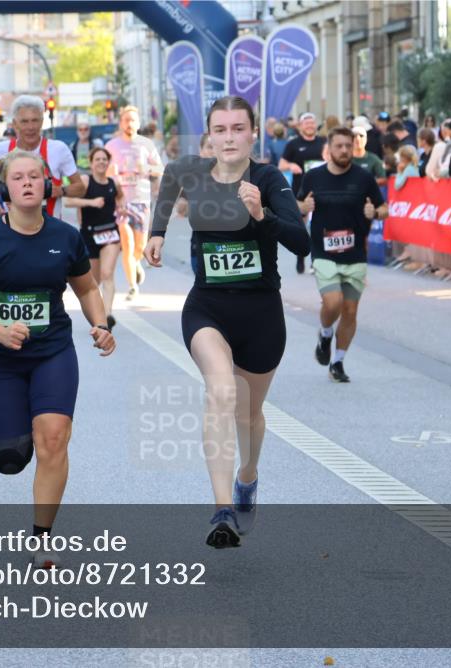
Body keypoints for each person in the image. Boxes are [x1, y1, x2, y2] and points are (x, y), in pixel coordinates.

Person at [144, 96, 310, 546]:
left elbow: (301, 242)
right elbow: (169, 181)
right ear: (210, 137)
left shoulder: (269, 178)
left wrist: (262, 215)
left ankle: (247, 477)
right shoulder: (192, 172)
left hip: (260, 313)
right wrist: (156, 234)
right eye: (221, 129)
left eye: (238, 128)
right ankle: (222, 510)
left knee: (249, 413)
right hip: (208, 307)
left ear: (252, 134)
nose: (230, 137)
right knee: (220, 391)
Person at [0, 150, 115, 568]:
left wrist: (101, 324)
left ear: (46, 185)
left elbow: (85, 288)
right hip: (0, 357)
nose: (27, 182)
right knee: (8, 459)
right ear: (5, 188)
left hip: (53, 351)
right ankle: (14, 440)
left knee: (54, 437)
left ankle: (42, 537)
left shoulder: (64, 237)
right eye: (18, 177)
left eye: (35, 176)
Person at [298, 127, 387, 383]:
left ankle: (337, 361)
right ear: (330, 148)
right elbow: (296, 203)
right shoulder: (314, 176)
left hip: (355, 252)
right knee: (333, 303)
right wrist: (303, 206)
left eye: (348, 146)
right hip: (324, 251)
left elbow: (384, 207)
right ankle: (325, 334)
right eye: (339, 146)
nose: (345, 150)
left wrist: (376, 212)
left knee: (350, 310)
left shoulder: (363, 177)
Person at [0, 96, 84, 218]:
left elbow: (80, 188)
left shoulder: (59, 149)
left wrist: (61, 190)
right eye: (24, 121)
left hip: (50, 230)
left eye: (35, 120)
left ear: (42, 122)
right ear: (15, 124)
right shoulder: (0, 150)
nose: (31, 127)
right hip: (11, 231)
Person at [105, 105, 164, 300]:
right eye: (126, 120)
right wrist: (109, 173)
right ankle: (132, 286)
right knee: (127, 243)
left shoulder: (146, 144)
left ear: (138, 123)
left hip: (141, 200)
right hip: (121, 202)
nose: (129, 124)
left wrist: (145, 167)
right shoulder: (112, 146)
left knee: (139, 247)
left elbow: (160, 170)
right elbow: (101, 173)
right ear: (121, 123)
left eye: (132, 120)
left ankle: (137, 263)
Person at [64, 147, 123, 329]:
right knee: (94, 280)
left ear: (108, 162)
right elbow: (67, 201)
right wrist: (90, 202)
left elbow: (120, 199)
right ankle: (98, 314)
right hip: (89, 234)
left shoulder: (114, 183)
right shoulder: (85, 181)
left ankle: (107, 314)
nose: (101, 162)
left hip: (110, 233)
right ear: (91, 163)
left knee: (107, 274)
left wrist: (122, 209)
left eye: (104, 159)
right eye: (97, 159)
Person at [280, 112, 325, 274]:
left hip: (321, 189)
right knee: (301, 227)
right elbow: (281, 164)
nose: (310, 126)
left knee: (319, 226)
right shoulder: (293, 144)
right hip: (301, 191)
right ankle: (300, 257)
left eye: (312, 123)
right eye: (306, 123)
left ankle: (316, 260)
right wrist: (291, 166)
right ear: (300, 126)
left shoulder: (323, 142)